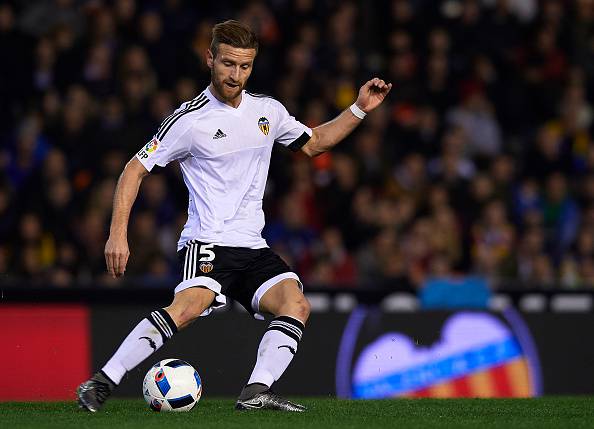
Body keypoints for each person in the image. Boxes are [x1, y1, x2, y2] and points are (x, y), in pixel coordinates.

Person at [77, 20, 391, 412]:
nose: (235, 75)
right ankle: (101, 382)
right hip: (208, 240)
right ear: (210, 59)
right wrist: (117, 234)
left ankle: (255, 392)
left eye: (244, 67)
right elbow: (133, 169)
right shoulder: (189, 121)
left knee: (296, 304)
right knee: (190, 307)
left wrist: (360, 108)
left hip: (252, 245)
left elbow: (315, 144)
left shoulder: (268, 111)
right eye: (227, 64)